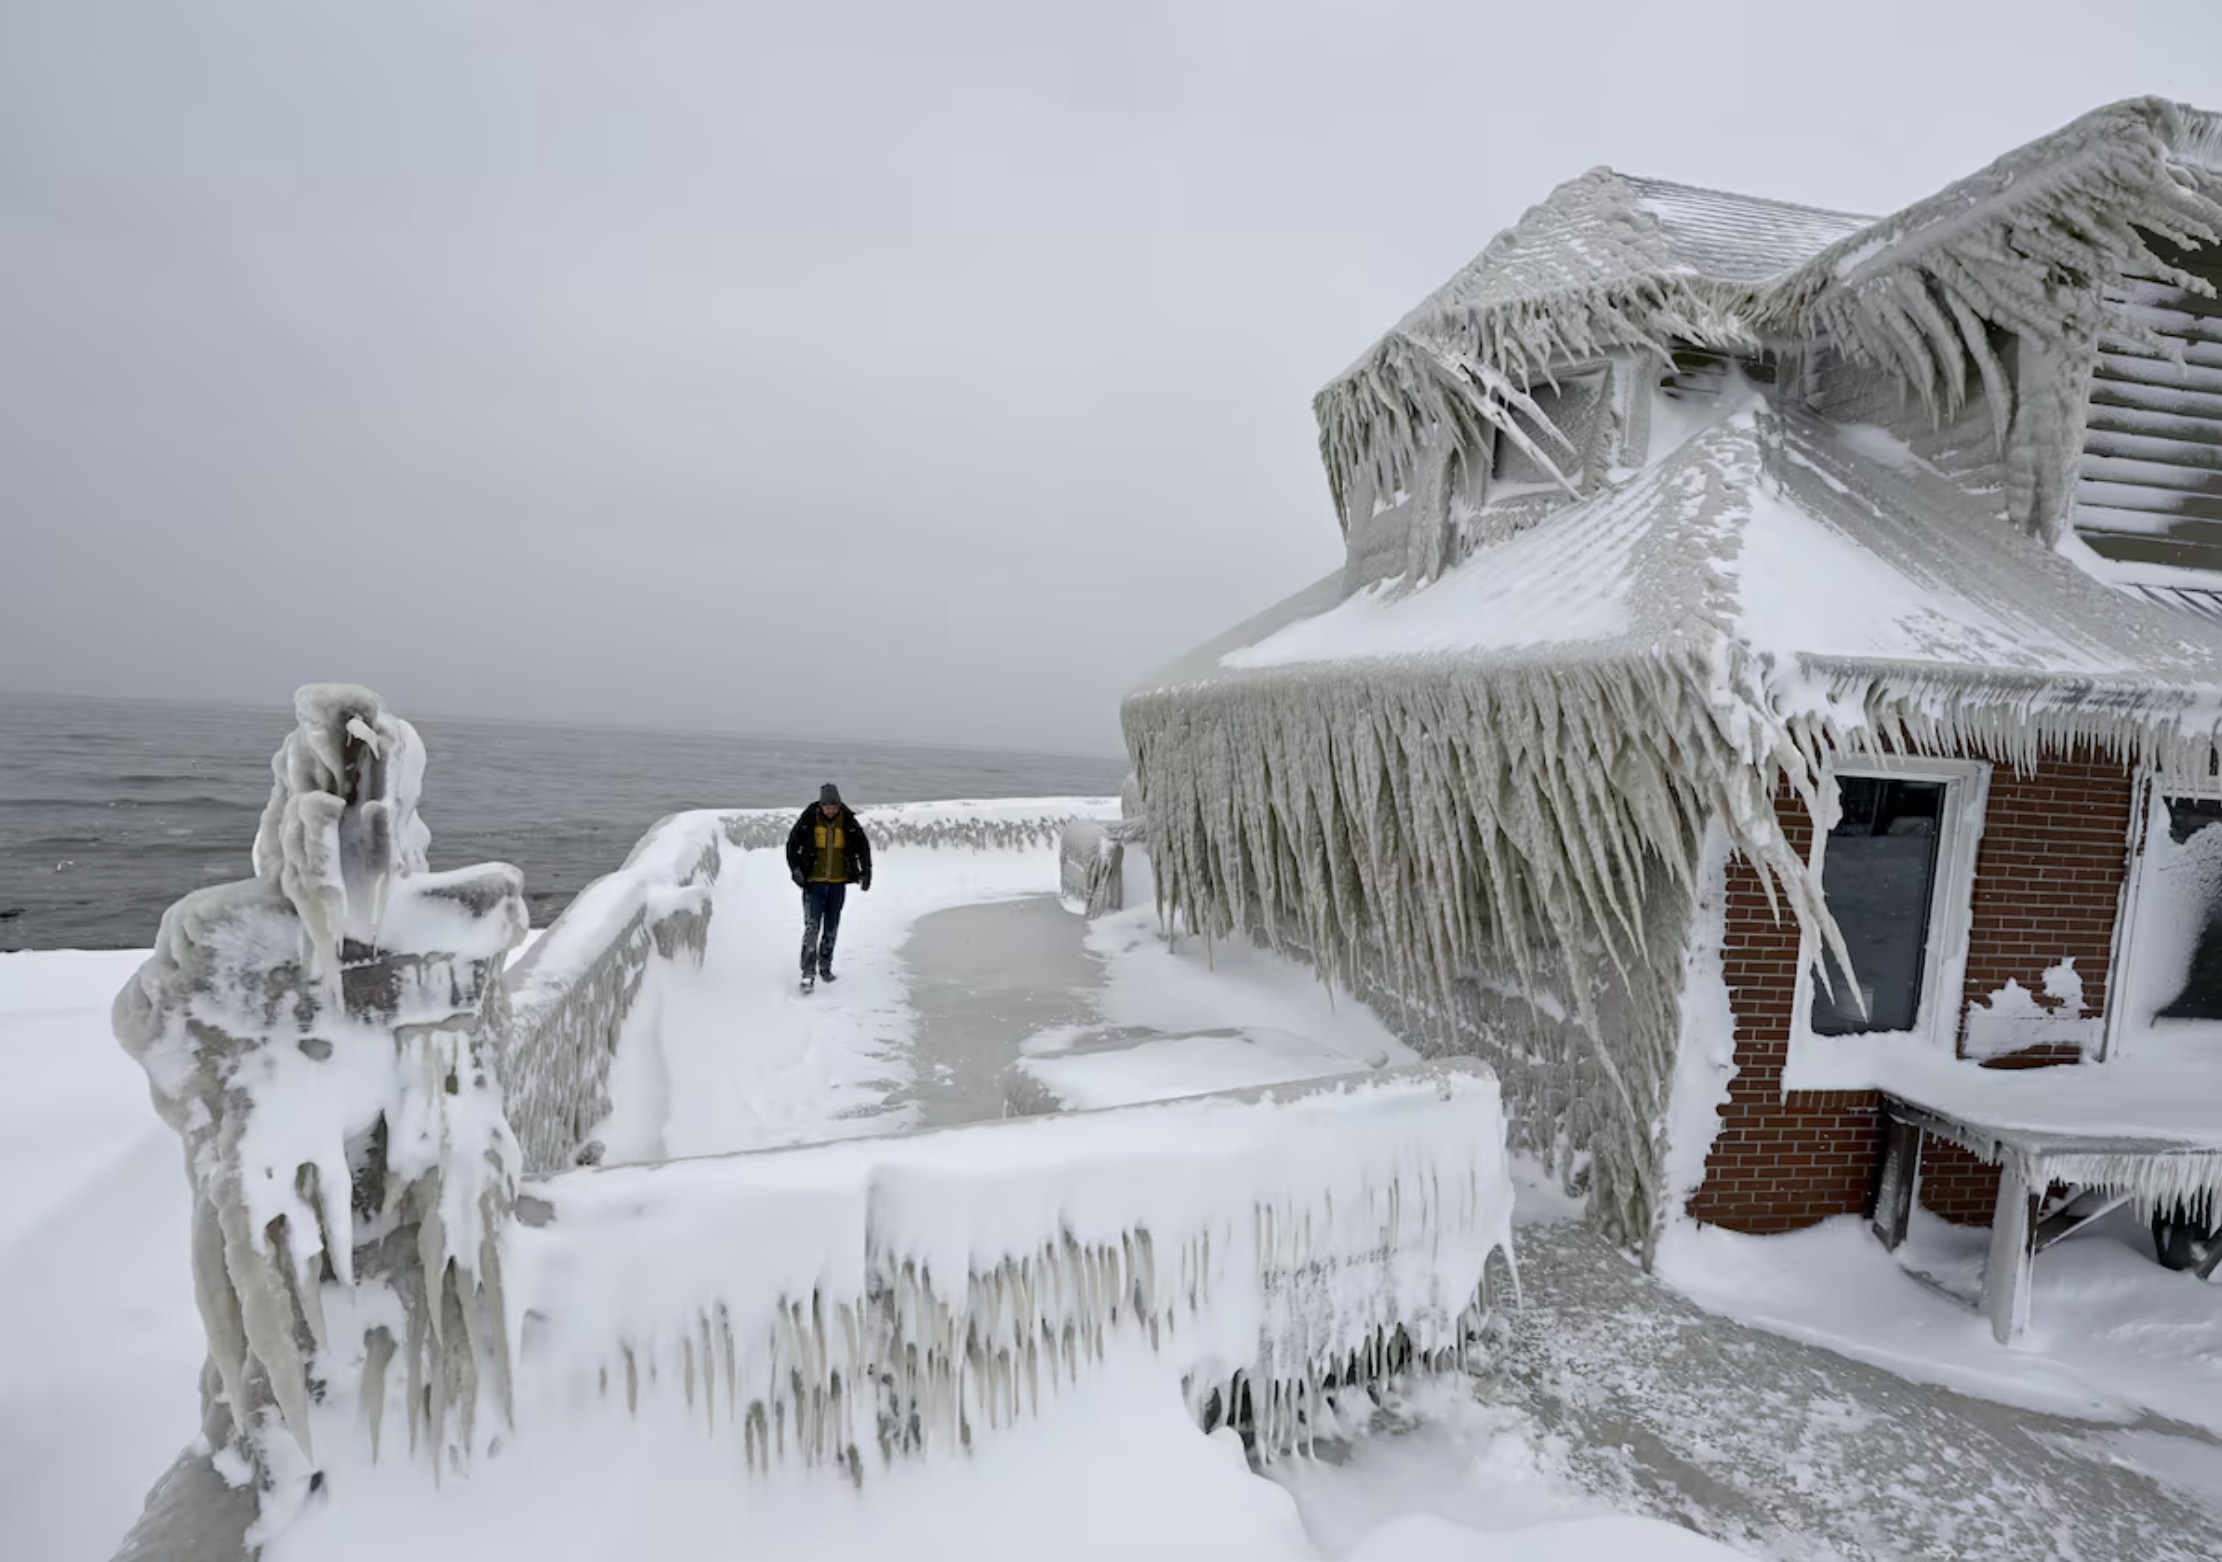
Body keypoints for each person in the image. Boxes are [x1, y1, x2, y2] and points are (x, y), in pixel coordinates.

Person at [785, 783, 871, 991]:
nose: (830, 810)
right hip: (813, 884)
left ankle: (825, 967)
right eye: (827, 807)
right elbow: (792, 844)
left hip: (837, 884)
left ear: (839, 805)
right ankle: (807, 972)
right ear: (821, 805)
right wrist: (795, 869)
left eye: (833, 807)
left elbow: (862, 847)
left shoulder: (848, 821)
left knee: (831, 928)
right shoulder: (809, 819)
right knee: (812, 927)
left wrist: (866, 872)